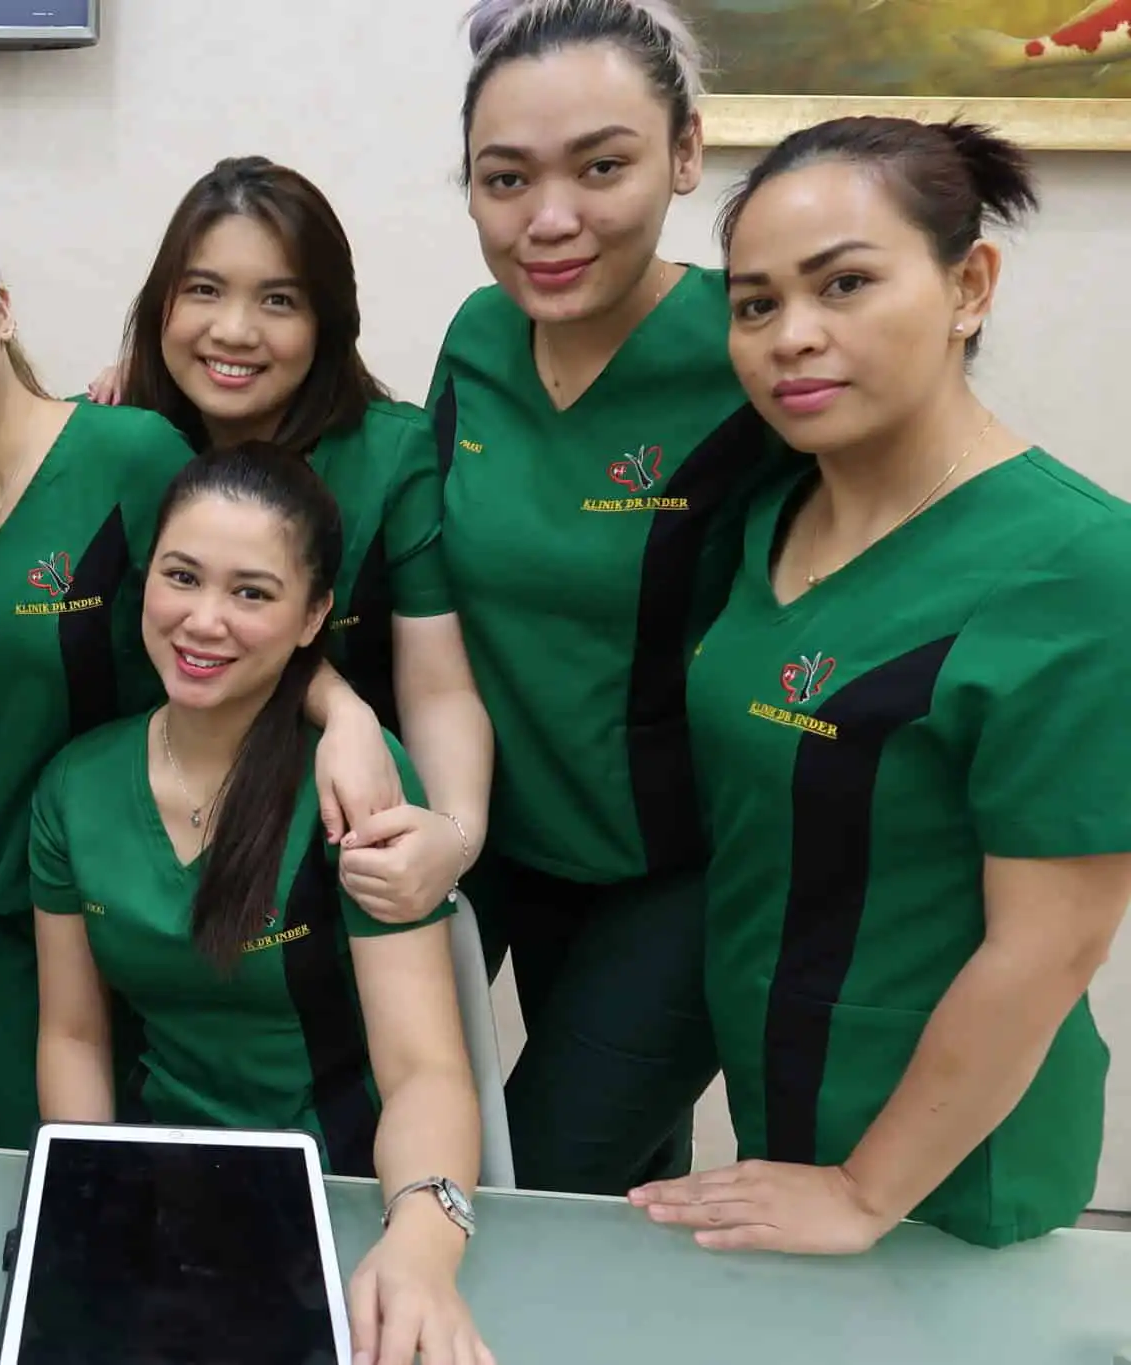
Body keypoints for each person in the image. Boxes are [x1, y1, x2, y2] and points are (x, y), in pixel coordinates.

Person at [629, 117, 1131, 1253]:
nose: (792, 336)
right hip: (782, 1099)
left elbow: (1051, 946)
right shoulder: (768, 514)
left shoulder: (1078, 569)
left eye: (844, 284)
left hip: (950, 1171)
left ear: (969, 286)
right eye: (755, 304)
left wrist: (865, 1190)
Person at [0, 201, 397, 1151]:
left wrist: (343, 711)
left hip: (158, 916)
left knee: (191, 1186)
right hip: (12, 911)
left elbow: (224, 624)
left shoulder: (127, 454)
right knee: (45, 1186)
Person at [427, 0, 786, 1194]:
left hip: (682, 870)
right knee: (611, 1179)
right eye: (505, 178)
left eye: (599, 167)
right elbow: (404, 535)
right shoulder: (478, 338)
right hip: (501, 840)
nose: (548, 220)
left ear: (684, 154)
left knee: (539, 1180)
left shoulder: (751, 354)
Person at [31, 446, 492, 1365]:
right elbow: (74, 1035)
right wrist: (90, 1197)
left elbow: (425, 1070)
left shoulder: (354, 786)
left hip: (339, 1190)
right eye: (181, 576)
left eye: (251, 592)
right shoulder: (75, 788)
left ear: (313, 615)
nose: (204, 620)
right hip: (161, 1195)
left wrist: (421, 1245)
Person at [90, 156, 494, 927]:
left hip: (338, 863)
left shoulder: (390, 455)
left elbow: (438, 683)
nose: (233, 331)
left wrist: (454, 833)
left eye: (278, 300)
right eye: (203, 290)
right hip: (135, 862)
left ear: (327, 322)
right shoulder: (121, 442)